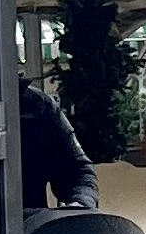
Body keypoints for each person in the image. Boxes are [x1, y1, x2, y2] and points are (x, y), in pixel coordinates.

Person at [19, 78, 102, 211]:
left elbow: (76, 172)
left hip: (28, 227)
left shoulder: (38, 105)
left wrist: (80, 203)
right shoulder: (38, 105)